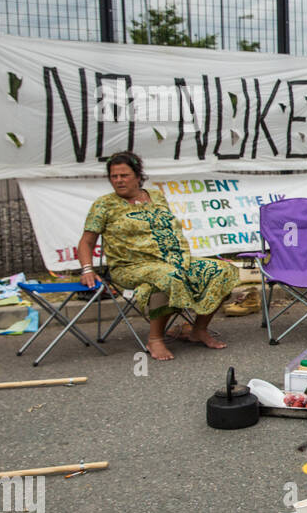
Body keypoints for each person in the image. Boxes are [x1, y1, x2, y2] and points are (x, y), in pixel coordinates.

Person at [76, 152, 237, 361]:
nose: (118, 180)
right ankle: (155, 339)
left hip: (173, 261)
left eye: (124, 175)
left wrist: (177, 258)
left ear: (137, 176)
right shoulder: (104, 204)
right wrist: (87, 269)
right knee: (168, 277)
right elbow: (86, 242)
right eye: (114, 176)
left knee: (221, 271)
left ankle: (198, 330)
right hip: (130, 267)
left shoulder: (156, 196)